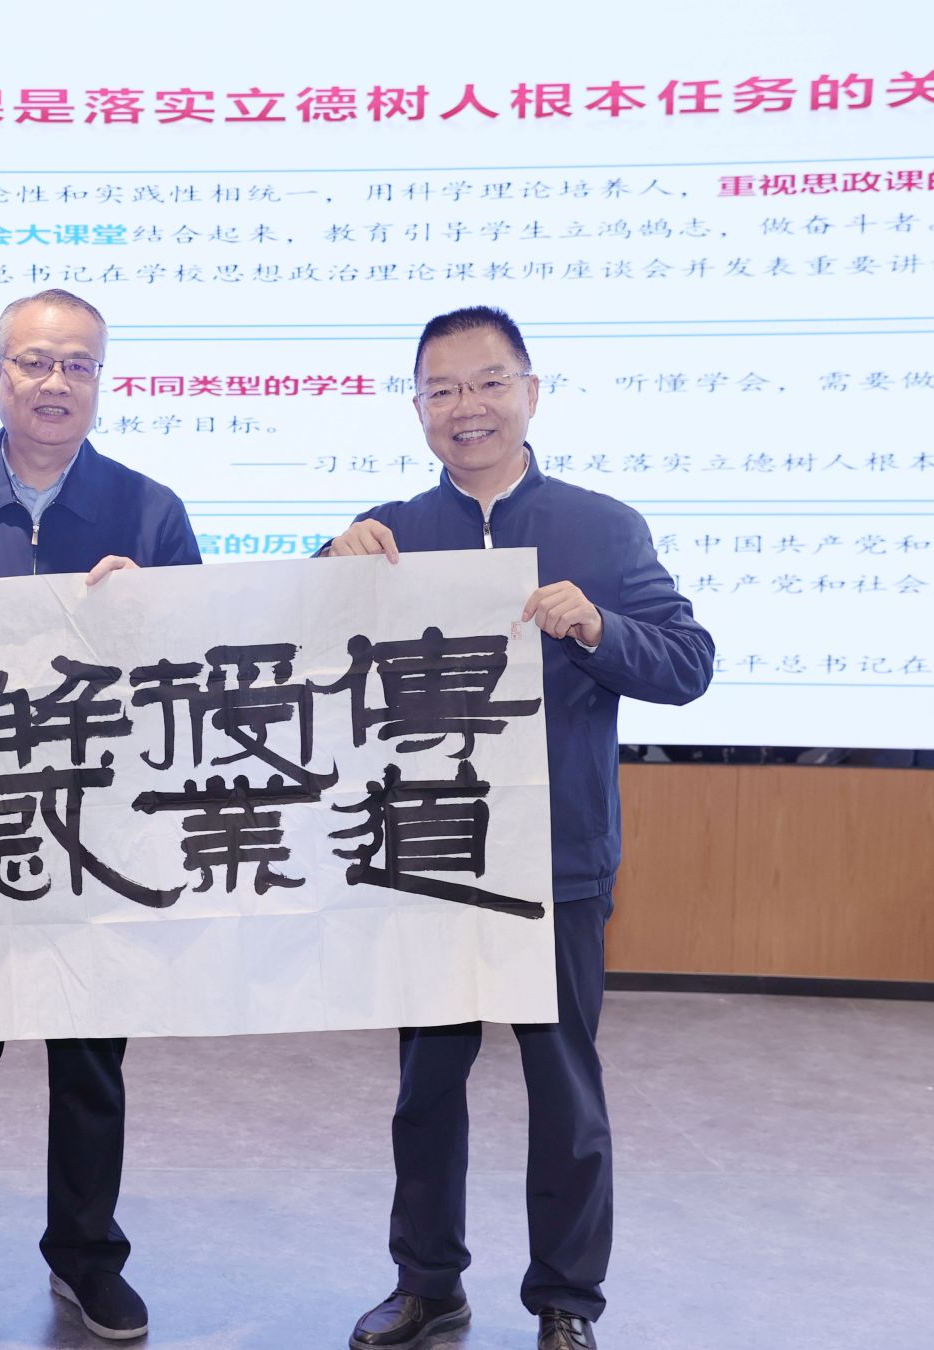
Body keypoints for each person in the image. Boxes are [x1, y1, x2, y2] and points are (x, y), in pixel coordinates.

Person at [330, 307, 713, 1350]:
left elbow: (688, 665)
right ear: (417, 407)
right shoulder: (387, 533)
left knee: (565, 1095)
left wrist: (599, 626)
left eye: (489, 382)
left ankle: (565, 1302)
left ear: (531, 393)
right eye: (442, 389)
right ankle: (426, 1283)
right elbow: (298, 662)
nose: (468, 407)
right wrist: (326, 563)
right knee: (424, 1091)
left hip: (557, 862)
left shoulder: (603, 528)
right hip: (428, 856)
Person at [0, 288, 200, 1345]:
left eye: (78, 365)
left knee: (91, 1059)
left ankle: (86, 1258)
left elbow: (201, 668)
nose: (55, 383)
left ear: (101, 381)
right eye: (34, 362)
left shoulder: (148, 510)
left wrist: (153, 609)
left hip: (102, 832)